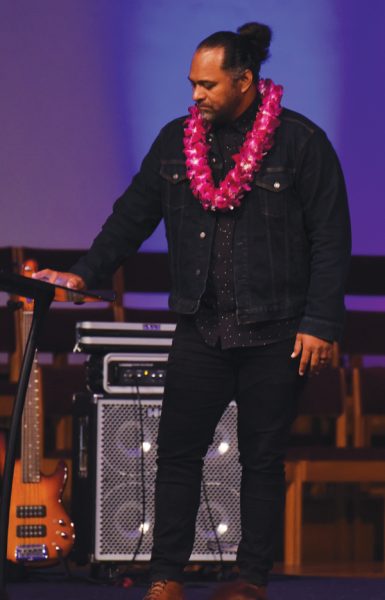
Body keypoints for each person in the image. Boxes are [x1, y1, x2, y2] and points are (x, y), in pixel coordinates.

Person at [34, 22, 351, 600]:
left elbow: (331, 238)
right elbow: (131, 216)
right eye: (192, 84)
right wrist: (85, 271)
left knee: (262, 459)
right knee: (177, 455)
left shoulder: (302, 144)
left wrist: (320, 323)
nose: (196, 96)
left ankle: (251, 579)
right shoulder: (176, 141)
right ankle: (165, 578)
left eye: (208, 85)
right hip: (201, 327)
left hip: (276, 329)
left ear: (246, 81)